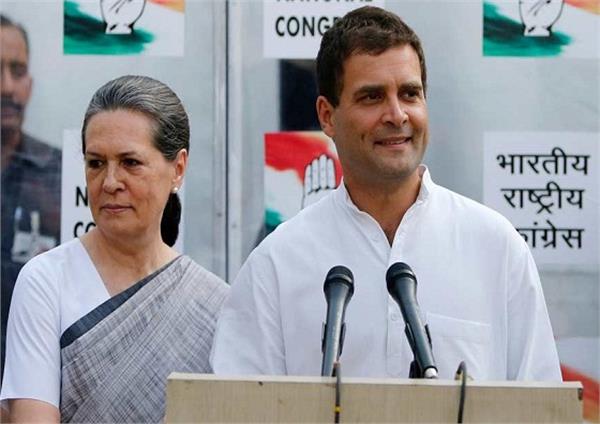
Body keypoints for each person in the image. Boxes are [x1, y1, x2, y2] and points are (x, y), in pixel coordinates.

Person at [211, 6, 561, 381]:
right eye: (372, 97)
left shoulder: (496, 247)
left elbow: (539, 401)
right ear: (327, 115)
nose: (396, 115)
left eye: (410, 94)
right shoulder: (277, 264)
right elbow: (239, 404)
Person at [0, 75, 230, 422]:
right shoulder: (46, 282)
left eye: (130, 163)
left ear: (178, 168)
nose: (109, 183)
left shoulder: (213, 304)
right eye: (96, 163)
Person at [0, 14, 61, 379]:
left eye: (18, 70)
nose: (7, 86)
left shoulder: (60, 175)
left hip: (38, 387)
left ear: (30, 84)